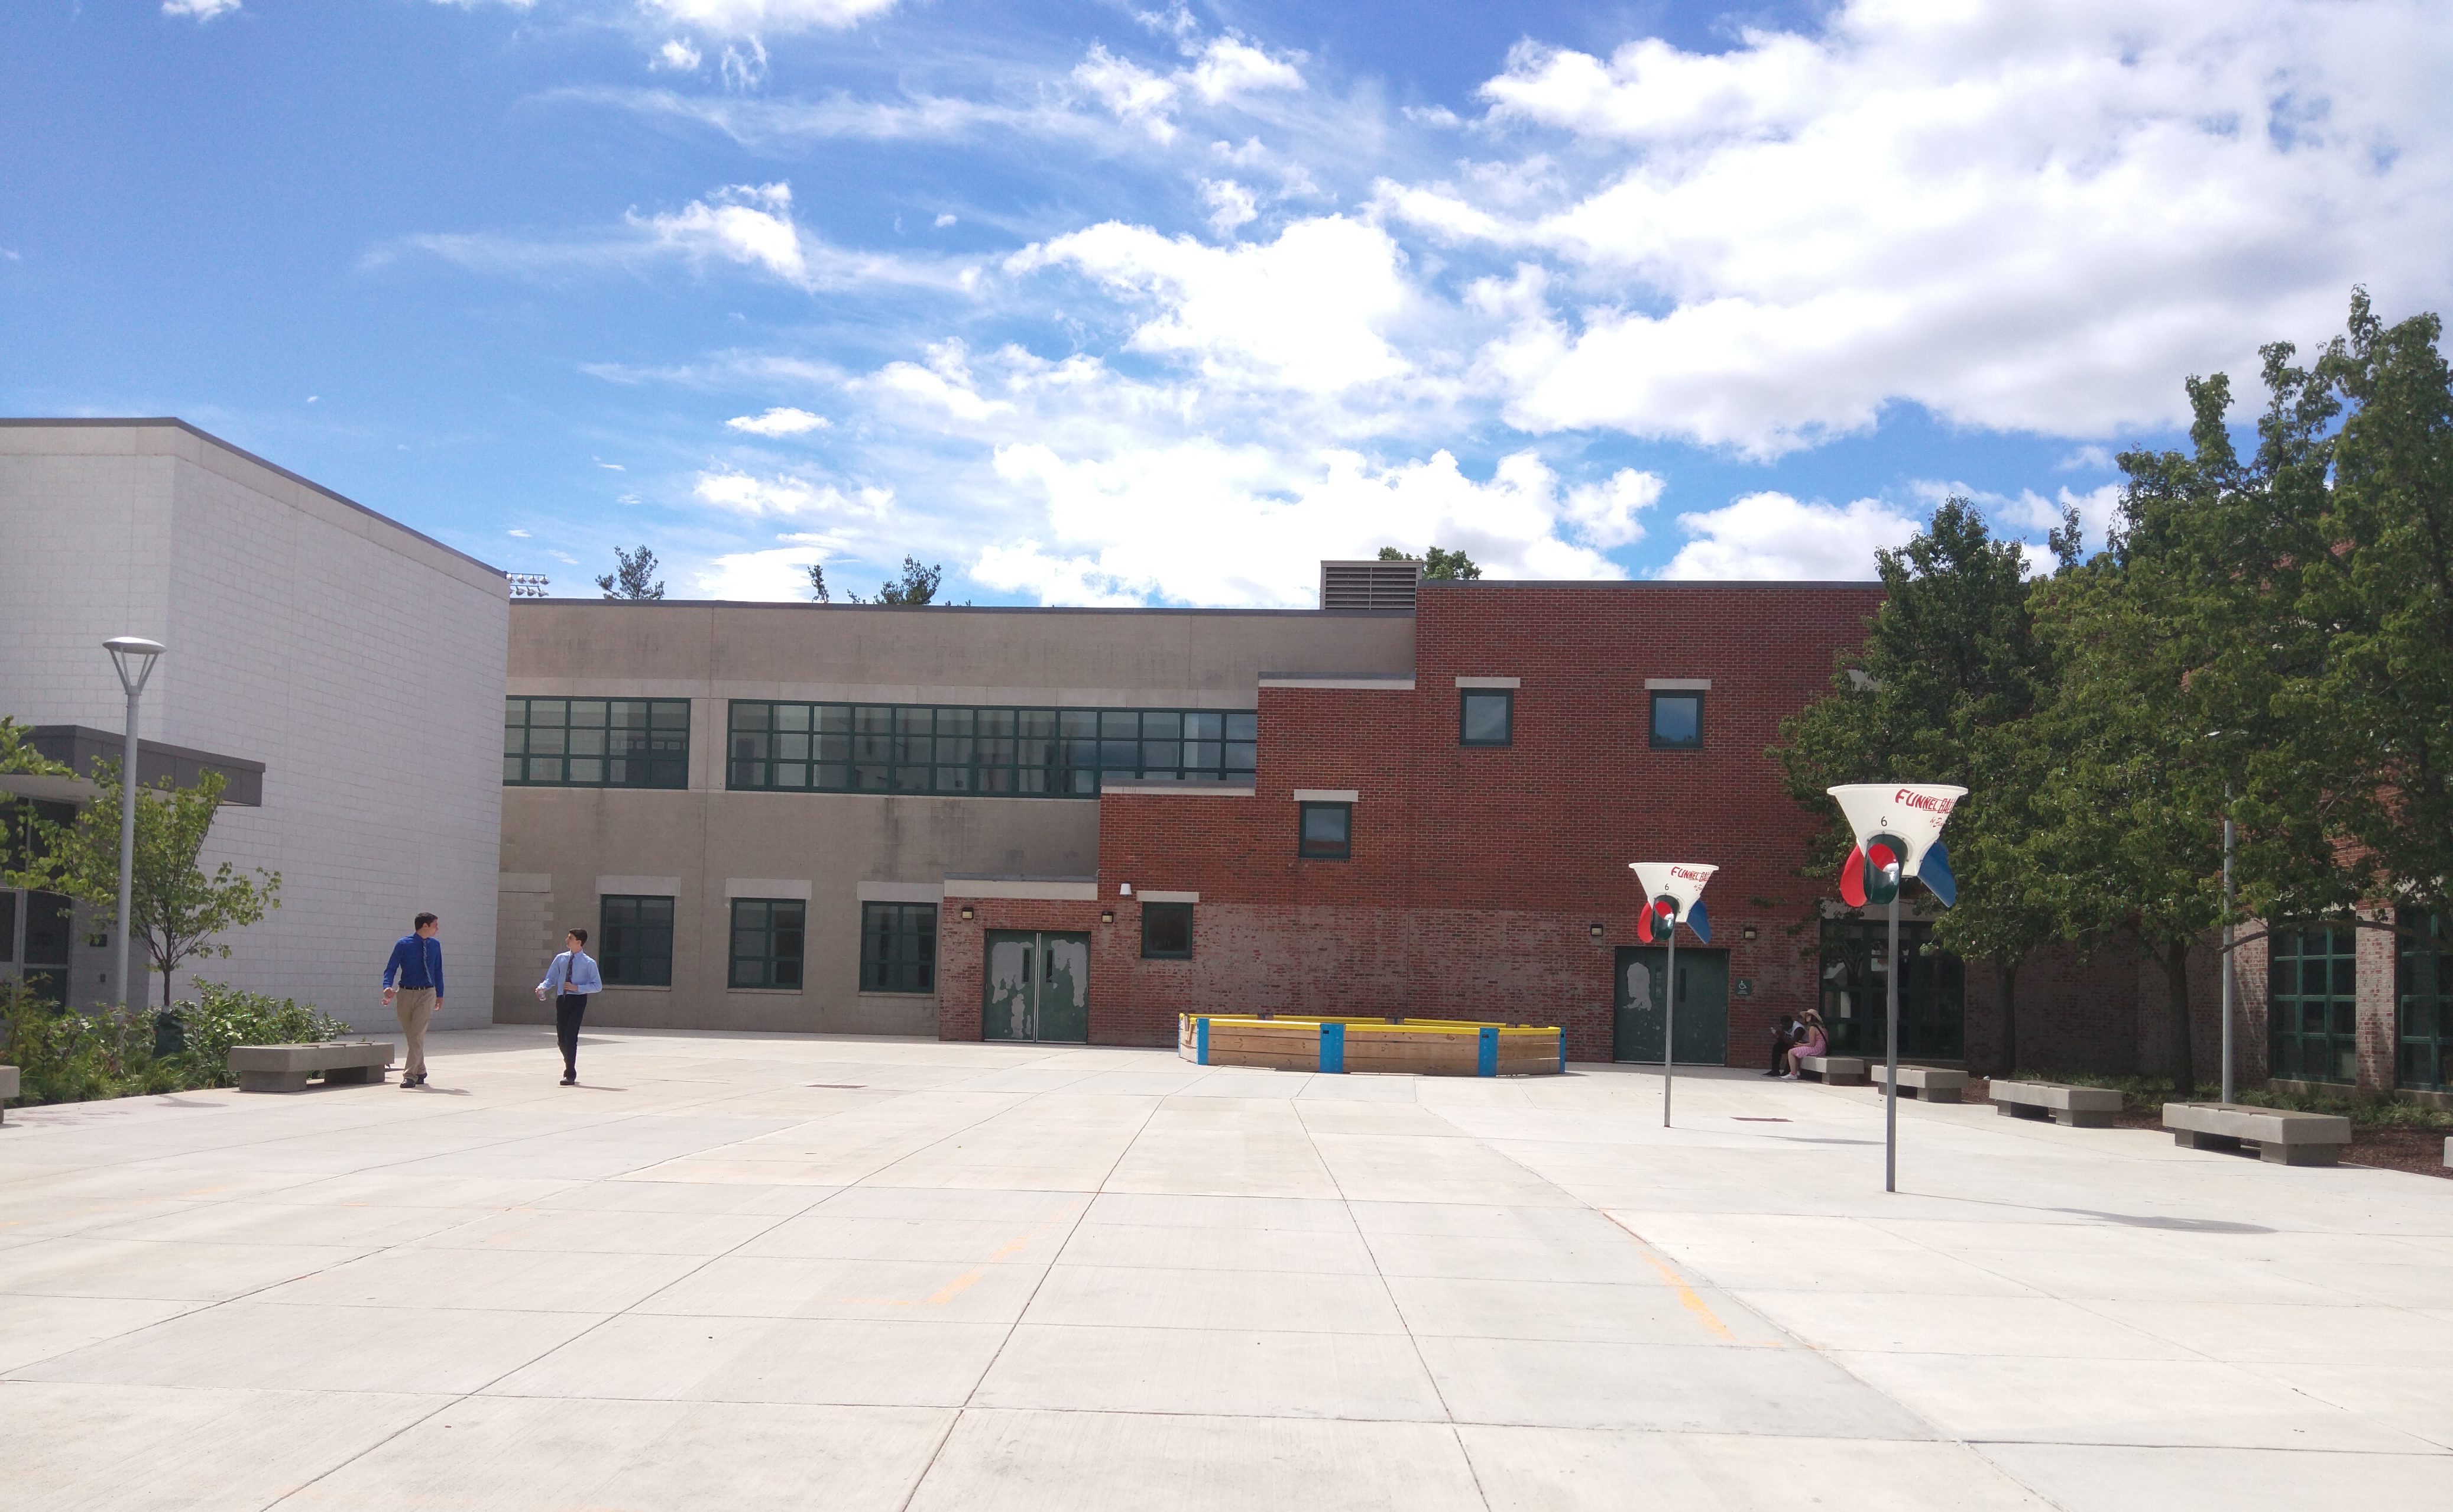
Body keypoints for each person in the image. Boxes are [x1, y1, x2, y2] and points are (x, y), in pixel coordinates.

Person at [381, 913, 444, 1088]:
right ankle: (421, 1070)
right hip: (405, 993)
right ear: (425, 926)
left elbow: (438, 970)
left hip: (427, 993)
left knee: (416, 1034)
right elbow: (391, 968)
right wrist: (387, 986)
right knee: (412, 1036)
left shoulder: (435, 945)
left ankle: (410, 1075)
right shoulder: (403, 944)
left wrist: (440, 995)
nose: (437, 928)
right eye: (435, 925)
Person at [535, 929, 602, 1086]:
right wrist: (542, 987)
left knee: (571, 1036)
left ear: (579, 942)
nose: (567, 940)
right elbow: (551, 979)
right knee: (562, 1040)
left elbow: (597, 986)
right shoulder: (561, 959)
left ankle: (570, 1073)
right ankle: (569, 1062)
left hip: (578, 1000)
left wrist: (577, 987)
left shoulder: (589, 963)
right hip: (562, 1000)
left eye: (570, 938)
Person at [1783, 1008, 1829, 1079]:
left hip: (1817, 1050)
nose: (1806, 1017)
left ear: (1814, 1017)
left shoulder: (1813, 1028)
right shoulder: (1823, 1028)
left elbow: (1812, 1044)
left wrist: (1801, 1045)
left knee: (1791, 1052)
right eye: (1806, 1015)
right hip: (1822, 1050)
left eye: (1809, 1015)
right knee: (1798, 1051)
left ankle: (1793, 1074)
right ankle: (1797, 1071)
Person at [1767, 1013, 1804, 1077]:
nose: (1783, 1027)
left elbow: (1795, 1043)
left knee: (1792, 1050)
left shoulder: (1799, 1029)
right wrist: (1778, 1037)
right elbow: (1783, 1041)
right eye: (1782, 1025)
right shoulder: (1786, 1027)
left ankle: (1787, 1071)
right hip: (1792, 1045)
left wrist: (1782, 1036)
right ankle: (1775, 1070)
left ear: (1790, 1023)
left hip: (1803, 1045)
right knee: (1777, 1047)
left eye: (1784, 1025)